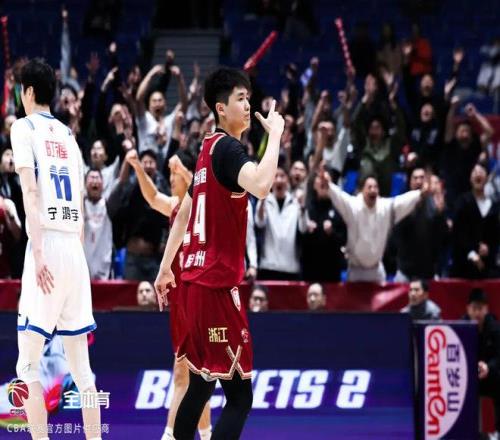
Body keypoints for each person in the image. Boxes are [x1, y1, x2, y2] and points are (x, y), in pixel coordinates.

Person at [154, 67, 284, 439]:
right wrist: (275, 135)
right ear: (220, 108)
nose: (248, 106)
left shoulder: (206, 150)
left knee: (200, 385)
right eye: (241, 99)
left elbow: (184, 214)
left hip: (193, 288)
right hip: (215, 288)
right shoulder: (227, 148)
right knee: (240, 397)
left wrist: (166, 268)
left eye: (249, 98)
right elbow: (261, 185)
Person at [10, 58, 101, 440]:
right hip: (73, 250)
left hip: (46, 243)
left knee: (27, 366)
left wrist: (39, 253)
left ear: (29, 92)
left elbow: (30, 192)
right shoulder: (68, 136)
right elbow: (78, 204)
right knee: (82, 370)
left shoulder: (23, 127)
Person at [125, 148, 212, 440]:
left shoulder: (203, 203)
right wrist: (138, 167)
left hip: (199, 297)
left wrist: (185, 170)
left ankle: (170, 434)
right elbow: (152, 197)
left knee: (185, 373)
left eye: (174, 174)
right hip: (180, 299)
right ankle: (206, 434)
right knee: (194, 374)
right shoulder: (177, 206)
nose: (171, 179)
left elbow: (203, 187)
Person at [323, 173, 425, 282]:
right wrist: (329, 185)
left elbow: (401, 202)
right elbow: (339, 197)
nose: (373, 190)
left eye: (376, 187)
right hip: (356, 270)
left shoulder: (384, 208)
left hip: (376, 270)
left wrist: (420, 193)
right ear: (362, 190)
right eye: (369, 187)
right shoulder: (353, 206)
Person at [255, 165, 307, 280]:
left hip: (290, 267)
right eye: (275, 176)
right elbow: (259, 222)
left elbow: (303, 228)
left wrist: (303, 206)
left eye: (282, 176)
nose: (279, 180)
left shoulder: (296, 202)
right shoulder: (264, 201)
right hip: (268, 266)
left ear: (287, 180)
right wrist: (262, 201)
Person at [451, 163, 500, 279]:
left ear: (487, 178)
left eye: (481, 172)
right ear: (470, 178)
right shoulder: (462, 202)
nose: (478, 174)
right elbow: (458, 233)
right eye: (475, 172)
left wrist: (488, 248)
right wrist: (472, 253)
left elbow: (495, 235)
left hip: (487, 267)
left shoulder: (494, 206)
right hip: (464, 267)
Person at [463, 288, 500, 436]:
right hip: (467, 377)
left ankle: (498, 431)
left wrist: (488, 367)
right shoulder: (460, 326)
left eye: (480, 308)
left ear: (486, 309)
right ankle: (466, 431)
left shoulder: (495, 328)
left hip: (490, 375)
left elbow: (498, 356)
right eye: (474, 308)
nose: (477, 313)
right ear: (468, 309)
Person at [83, 168, 113, 280]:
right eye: (92, 177)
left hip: (103, 264)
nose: (95, 180)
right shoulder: (79, 205)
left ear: (103, 184)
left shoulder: (109, 204)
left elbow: (121, 182)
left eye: (97, 178)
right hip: (83, 261)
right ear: (85, 183)